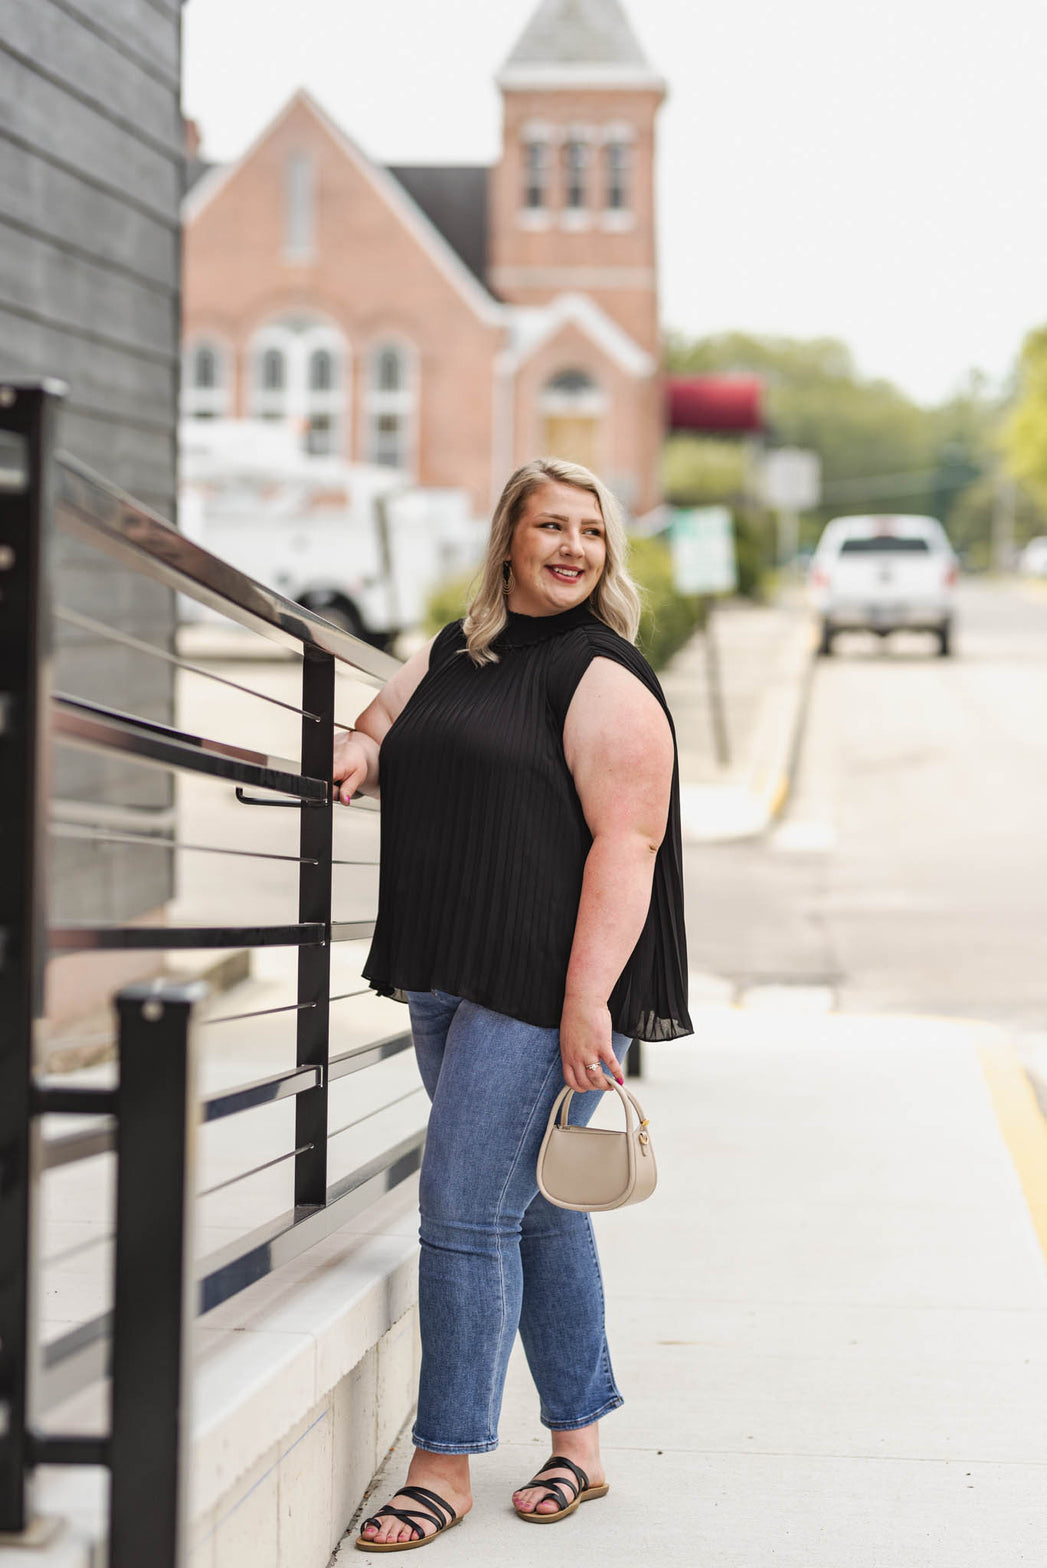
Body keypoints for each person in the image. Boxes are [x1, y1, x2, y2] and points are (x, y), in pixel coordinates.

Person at [332, 457, 692, 1551]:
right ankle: (578, 1444)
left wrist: (591, 1003)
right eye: (551, 526)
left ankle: (441, 1461)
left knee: (461, 1210)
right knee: (532, 1204)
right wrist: (357, 743)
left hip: (543, 982)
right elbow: (386, 715)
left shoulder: (604, 679)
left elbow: (629, 847)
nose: (573, 546)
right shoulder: (458, 649)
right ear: (509, 539)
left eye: (591, 529)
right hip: (448, 964)